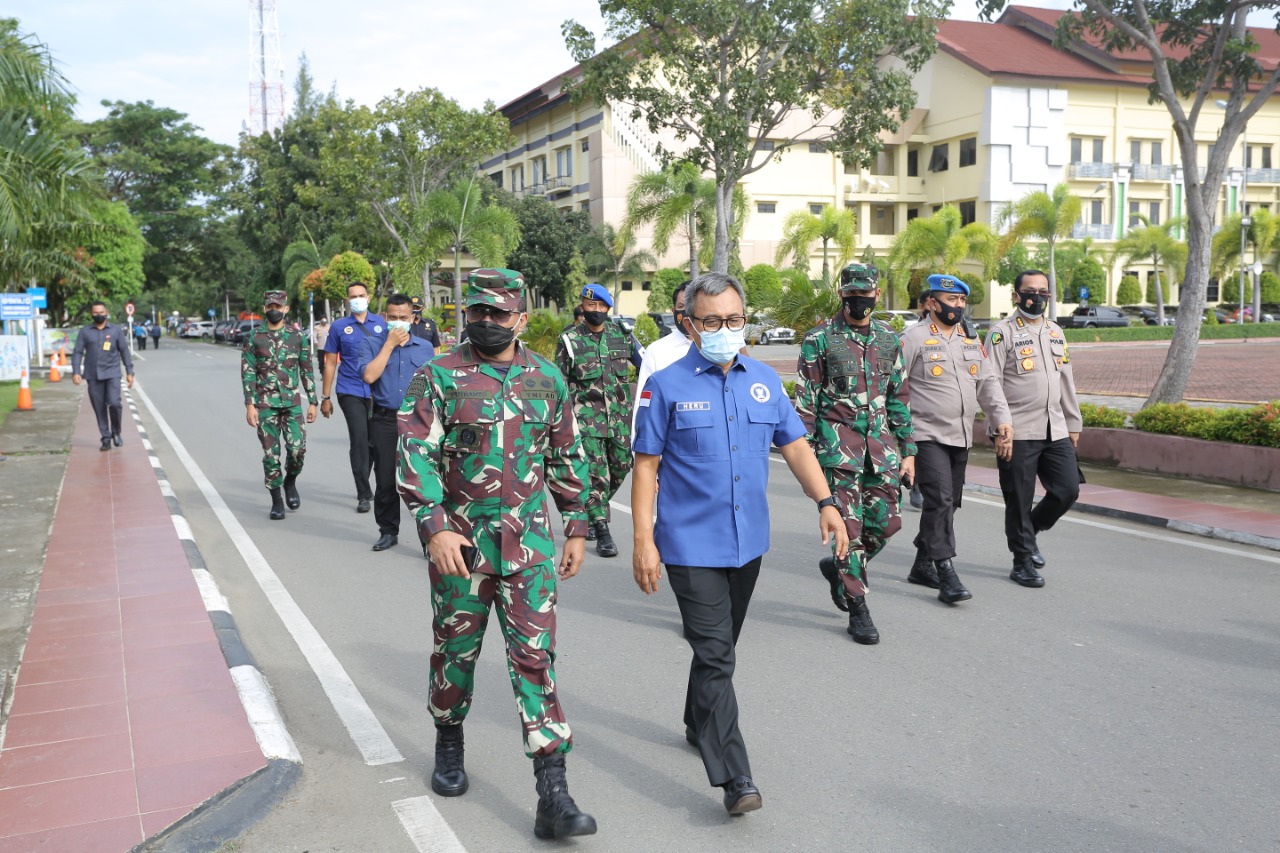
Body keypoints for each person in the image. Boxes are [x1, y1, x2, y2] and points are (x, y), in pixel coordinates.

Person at [632, 272, 847, 817]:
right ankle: (735, 777)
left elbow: (795, 446)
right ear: (689, 324)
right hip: (686, 542)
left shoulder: (764, 381)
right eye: (712, 321)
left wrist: (826, 502)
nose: (725, 330)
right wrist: (643, 541)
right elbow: (646, 465)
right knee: (716, 654)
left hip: (747, 542)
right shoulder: (667, 382)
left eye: (733, 320)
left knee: (718, 650)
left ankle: (694, 718)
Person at [397, 268, 596, 841]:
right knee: (454, 654)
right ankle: (449, 737)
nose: (485, 322)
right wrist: (433, 528)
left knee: (535, 659)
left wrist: (578, 525)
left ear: (522, 318)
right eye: (476, 313)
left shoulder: (547, 378)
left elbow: (567, 455)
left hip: (529, 549)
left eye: (498, 314)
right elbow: (415, 455)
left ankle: (552, 791)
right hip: (460, 548)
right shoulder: (437, 376)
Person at [795, 262, 916, 645]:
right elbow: (806, 404)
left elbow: (899, 396)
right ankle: (858, 606)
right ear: (842, 295)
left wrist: (908, 450)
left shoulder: (888, 339)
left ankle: (840, 568)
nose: (859, 301)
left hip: (881, 452)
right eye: (852, 295)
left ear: (876, 295)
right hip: (837, 452)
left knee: (886, 524)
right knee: (848, 530)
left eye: (866, 294)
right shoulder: (819, 339)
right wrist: (809, 459)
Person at [900, 274, 1013, 604]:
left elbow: (988, 384)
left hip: (960, 435)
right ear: (933, 303)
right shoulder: (913, 338)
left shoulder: (970, 340)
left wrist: (1002, 420)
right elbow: (895, 387)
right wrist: (901, 441)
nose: (958, 306)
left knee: (949, 503)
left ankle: (922, 563)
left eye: (962, 301)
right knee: (940, 500)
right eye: (952, 301)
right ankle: (946, 571)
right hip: (926, 434)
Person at [984, 270, 1083, 587]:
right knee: (1019, 498)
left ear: (1049, 297)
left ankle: (1033, 528)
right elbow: (991, 383)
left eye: (1043, 291)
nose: (1036, 296)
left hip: (1055, 428)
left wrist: (1073, 422)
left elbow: (1066, 380)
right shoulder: (1002, 333)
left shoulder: (1056, 332)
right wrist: (1000, 426)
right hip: (1017, 431)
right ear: (1016, 295)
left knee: (1067, 490)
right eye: (1030, 291)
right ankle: (1022, 561)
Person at [555, 283, 643, 557]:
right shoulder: (569, 339)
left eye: (599, 306)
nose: (594, 310)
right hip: (585, 422)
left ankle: (592, 511)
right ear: (582, 307)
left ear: (607, 308)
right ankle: (603, 529)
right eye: (589, 305)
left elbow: (648, 367)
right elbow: (559, 380)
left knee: (621, 468)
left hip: (619, 420)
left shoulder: (623, 336)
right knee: (597, 475)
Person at [359, 294, 435, 552]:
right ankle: (388, 531)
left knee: (421, 480)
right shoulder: (372, 343)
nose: (398, 322)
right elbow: (369, 376)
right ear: (385, 318)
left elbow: (434, 384)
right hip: (385, 420)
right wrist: (389, 346)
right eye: (393, 318)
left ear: (413, 318)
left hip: (418, 420)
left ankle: (429, 538)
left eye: (403, 318)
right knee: (385, 480)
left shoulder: (424, 348)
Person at [241, 291, 318, 519]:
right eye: (270, 306)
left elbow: (306, 370)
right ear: (265, 309)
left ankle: (290, 481)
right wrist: (250, 405)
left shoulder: (298, 337)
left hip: (292, 404)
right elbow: (248, 373)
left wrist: (313, 401)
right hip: (265, 405)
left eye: (279, 306)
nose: (274, 309)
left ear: (286, 309)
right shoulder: (254, 337)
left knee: (297, 450)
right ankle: (276, 500)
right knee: (270, 454)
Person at [321, 281, 385, 513]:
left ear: (369, 297)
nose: (357, 299)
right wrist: (325, 397)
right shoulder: (338, 327)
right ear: (347, 300)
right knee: (359, 439)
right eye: (353, 296)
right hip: (350, 390)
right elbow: (329, 362)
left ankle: (371, 483)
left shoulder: (381, 324)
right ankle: (363, 493)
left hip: (378, 391)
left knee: (374, 442)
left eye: (361, 295)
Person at [71, 302, 135, 451]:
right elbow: (78, 352)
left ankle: (116, 432)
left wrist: (129, 372)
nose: (98, 315)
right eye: (95, 312)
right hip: (93, 375)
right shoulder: (85, 332)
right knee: (99, 408)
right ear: (91, 314)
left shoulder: (115, 331)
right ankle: (105, 437)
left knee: (114, 403)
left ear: (106, 313)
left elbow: (124, 351)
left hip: (112, 373)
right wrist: (76, 372)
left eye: (101, 312)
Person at [632, 281, 691, 431]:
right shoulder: (657, 351)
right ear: (673, 311)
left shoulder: (716, 350)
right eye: (681, 307)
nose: (687, 313)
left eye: (692, 306)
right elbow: (643, 404)